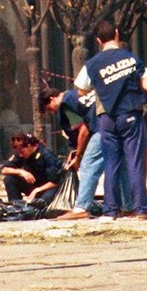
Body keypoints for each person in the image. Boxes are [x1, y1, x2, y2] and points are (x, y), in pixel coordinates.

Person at [75, 21, 147, 221]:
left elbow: (81, 89)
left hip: (106, 120)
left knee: (111, 163)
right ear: (117, 34)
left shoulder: (92, 64)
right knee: (135, 163)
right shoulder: (130, 58)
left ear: (98, 40)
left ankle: (110, 211)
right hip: (130, 116)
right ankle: (141, 210)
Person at [43, 88, 103, 218]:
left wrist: (78, 155)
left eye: (49, 109)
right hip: (111, 123)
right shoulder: (74, 93)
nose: (52, 112)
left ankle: (81, 208)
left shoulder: (65, 105)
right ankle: (127, 206)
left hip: (99, 130)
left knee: (88, 166)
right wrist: (75, 150)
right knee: (117, 167)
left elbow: (83, 130)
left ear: (52, 98)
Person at [0, 131, 60, 204]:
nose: (20, 155)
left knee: (41, 203)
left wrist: (37, 190)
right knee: (9, 179)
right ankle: (15, 205)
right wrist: (22, 172)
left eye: (22, 152)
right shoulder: (22, 153)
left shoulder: (46, 155)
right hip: (33, 184)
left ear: (29, 146)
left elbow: (55, 182)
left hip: (47, 187)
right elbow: (4, 170)